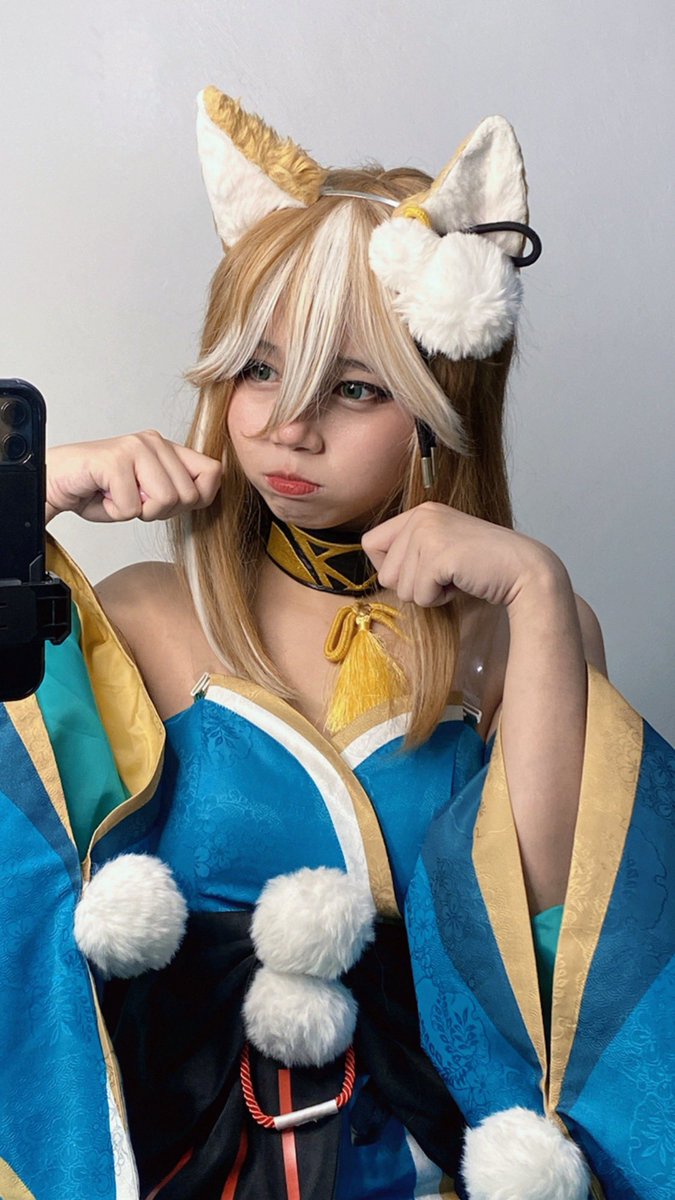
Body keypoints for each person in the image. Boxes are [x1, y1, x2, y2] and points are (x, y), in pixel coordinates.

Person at [1, 89, 672, 1200]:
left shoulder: (515, 635)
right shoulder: (151, 613)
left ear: (440, 407)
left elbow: (566, 951)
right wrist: (29, 504)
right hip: (191, 1158)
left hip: (431, 1160)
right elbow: (15, 856)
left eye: (354, 388)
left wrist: (538, 590)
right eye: (260, 369)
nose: (289, 426)